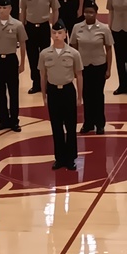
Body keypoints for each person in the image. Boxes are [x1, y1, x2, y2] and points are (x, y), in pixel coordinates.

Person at [39, 20, 83, 170]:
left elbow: (79, 75)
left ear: (65, 34)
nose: (57, 35)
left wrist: (79, 97)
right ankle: (59, 158)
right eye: (54, 33)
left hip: (68, 91)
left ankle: (70, 158)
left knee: (70, 127)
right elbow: (43, 76)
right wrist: (43, 95)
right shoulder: (45, 53)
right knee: (56, 126)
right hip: (53, 92)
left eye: (60, 33)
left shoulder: (74, 53)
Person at [70, 0, 113, 134]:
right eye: (86, 12)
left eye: (91, 12)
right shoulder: (77, 28)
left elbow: (109, 49)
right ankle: (88, 123)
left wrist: (108, 69)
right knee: (86, 95)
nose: (89, 15)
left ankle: (100, 123)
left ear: (96, 13)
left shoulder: (104, 28)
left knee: (98, 95)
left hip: (99, 66)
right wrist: (74, 69)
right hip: (83, 68)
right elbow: (73, 48)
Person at [0, 0, 27, 133]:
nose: (2, 10)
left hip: (11, 60)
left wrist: (22, 63)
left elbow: (22, 43)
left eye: (5, 8)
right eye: (0, 8)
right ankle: (3, 120)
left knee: (13, 92)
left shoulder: (17, 25)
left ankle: (14, 121)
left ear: (10, 9)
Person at [21, 0, 59, 94]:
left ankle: (46, 82)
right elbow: (23, 12)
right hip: (30, 27)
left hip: (43, 27)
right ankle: (36, 83)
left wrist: (54, 27)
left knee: (45, 57)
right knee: (32, 57)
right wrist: (22, 27)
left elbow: (55, 10)